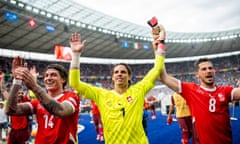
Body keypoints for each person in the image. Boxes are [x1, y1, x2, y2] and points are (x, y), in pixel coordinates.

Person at [69, 31, 165, 144]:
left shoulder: (139, 90)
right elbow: (74, 83)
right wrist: (75, 55)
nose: (119, 74)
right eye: (116, 72)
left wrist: (161, 45)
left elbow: (157, 69)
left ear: (129, 77)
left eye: (123, 72)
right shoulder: (101, 95)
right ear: (113, 77)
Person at [154, 28, 240, 143]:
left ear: (214, 71)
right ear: (197, 74)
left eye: (210, 68)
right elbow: (163, 77)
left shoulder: (225, 91)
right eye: (203, 69)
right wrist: (159, 47)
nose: (208, 71)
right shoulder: (191, 90)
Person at [5, 57, 80, 144]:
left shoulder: (71, 96)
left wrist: (34, 86)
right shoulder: (37, 102)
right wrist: (17, 81)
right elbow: (10, 110)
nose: (48, 78)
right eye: (46, 75)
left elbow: (61, 111)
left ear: (63, 79)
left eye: (53, 75)